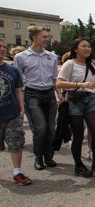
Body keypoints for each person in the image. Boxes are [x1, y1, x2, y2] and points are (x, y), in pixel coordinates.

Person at [56, 39, 95, 177]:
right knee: (78, 135)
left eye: (89, 46)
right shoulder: (69, 64)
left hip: (90, 100)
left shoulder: (92, 64)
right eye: (83, 46)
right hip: (74, 100)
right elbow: (59, 83)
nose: (87, 48)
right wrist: (79, 84)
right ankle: (78, 165)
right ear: (75, 49)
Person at [13, 26, 61, 170]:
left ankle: (49, 156)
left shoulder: (52, 57)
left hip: (49, 95)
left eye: (48, 37)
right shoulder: (20, 57)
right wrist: (19, 102)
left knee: (51, 129)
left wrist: (58, 94)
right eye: (44, 37)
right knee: (41, 128)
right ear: (34, 37)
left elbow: (54, 79)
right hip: (32, 95)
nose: (47, 39)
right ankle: (38, 157)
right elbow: (18, 81)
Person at [0, 38, 32, 185]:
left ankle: (17, 172)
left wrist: (21, 108)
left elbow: (18, 90)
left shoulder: (13, 70)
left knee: (16, 143)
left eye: (4, 47)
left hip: (12, 114)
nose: (2, 49)